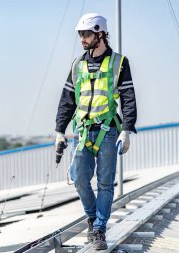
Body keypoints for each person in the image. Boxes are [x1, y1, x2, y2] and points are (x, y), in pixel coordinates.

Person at [55, 13, 137, 250]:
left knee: (105, 184)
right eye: (80, 34)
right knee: (79, 178)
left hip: (108, 131)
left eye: (86, 34)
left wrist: (127, 129)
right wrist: (59, 130)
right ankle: (92, 217)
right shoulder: (77, 65)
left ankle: (99, 230)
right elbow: (67, 99)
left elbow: (128, 98)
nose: (82, 39)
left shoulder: (119, 62)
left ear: (100, 34)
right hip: (82, 132)